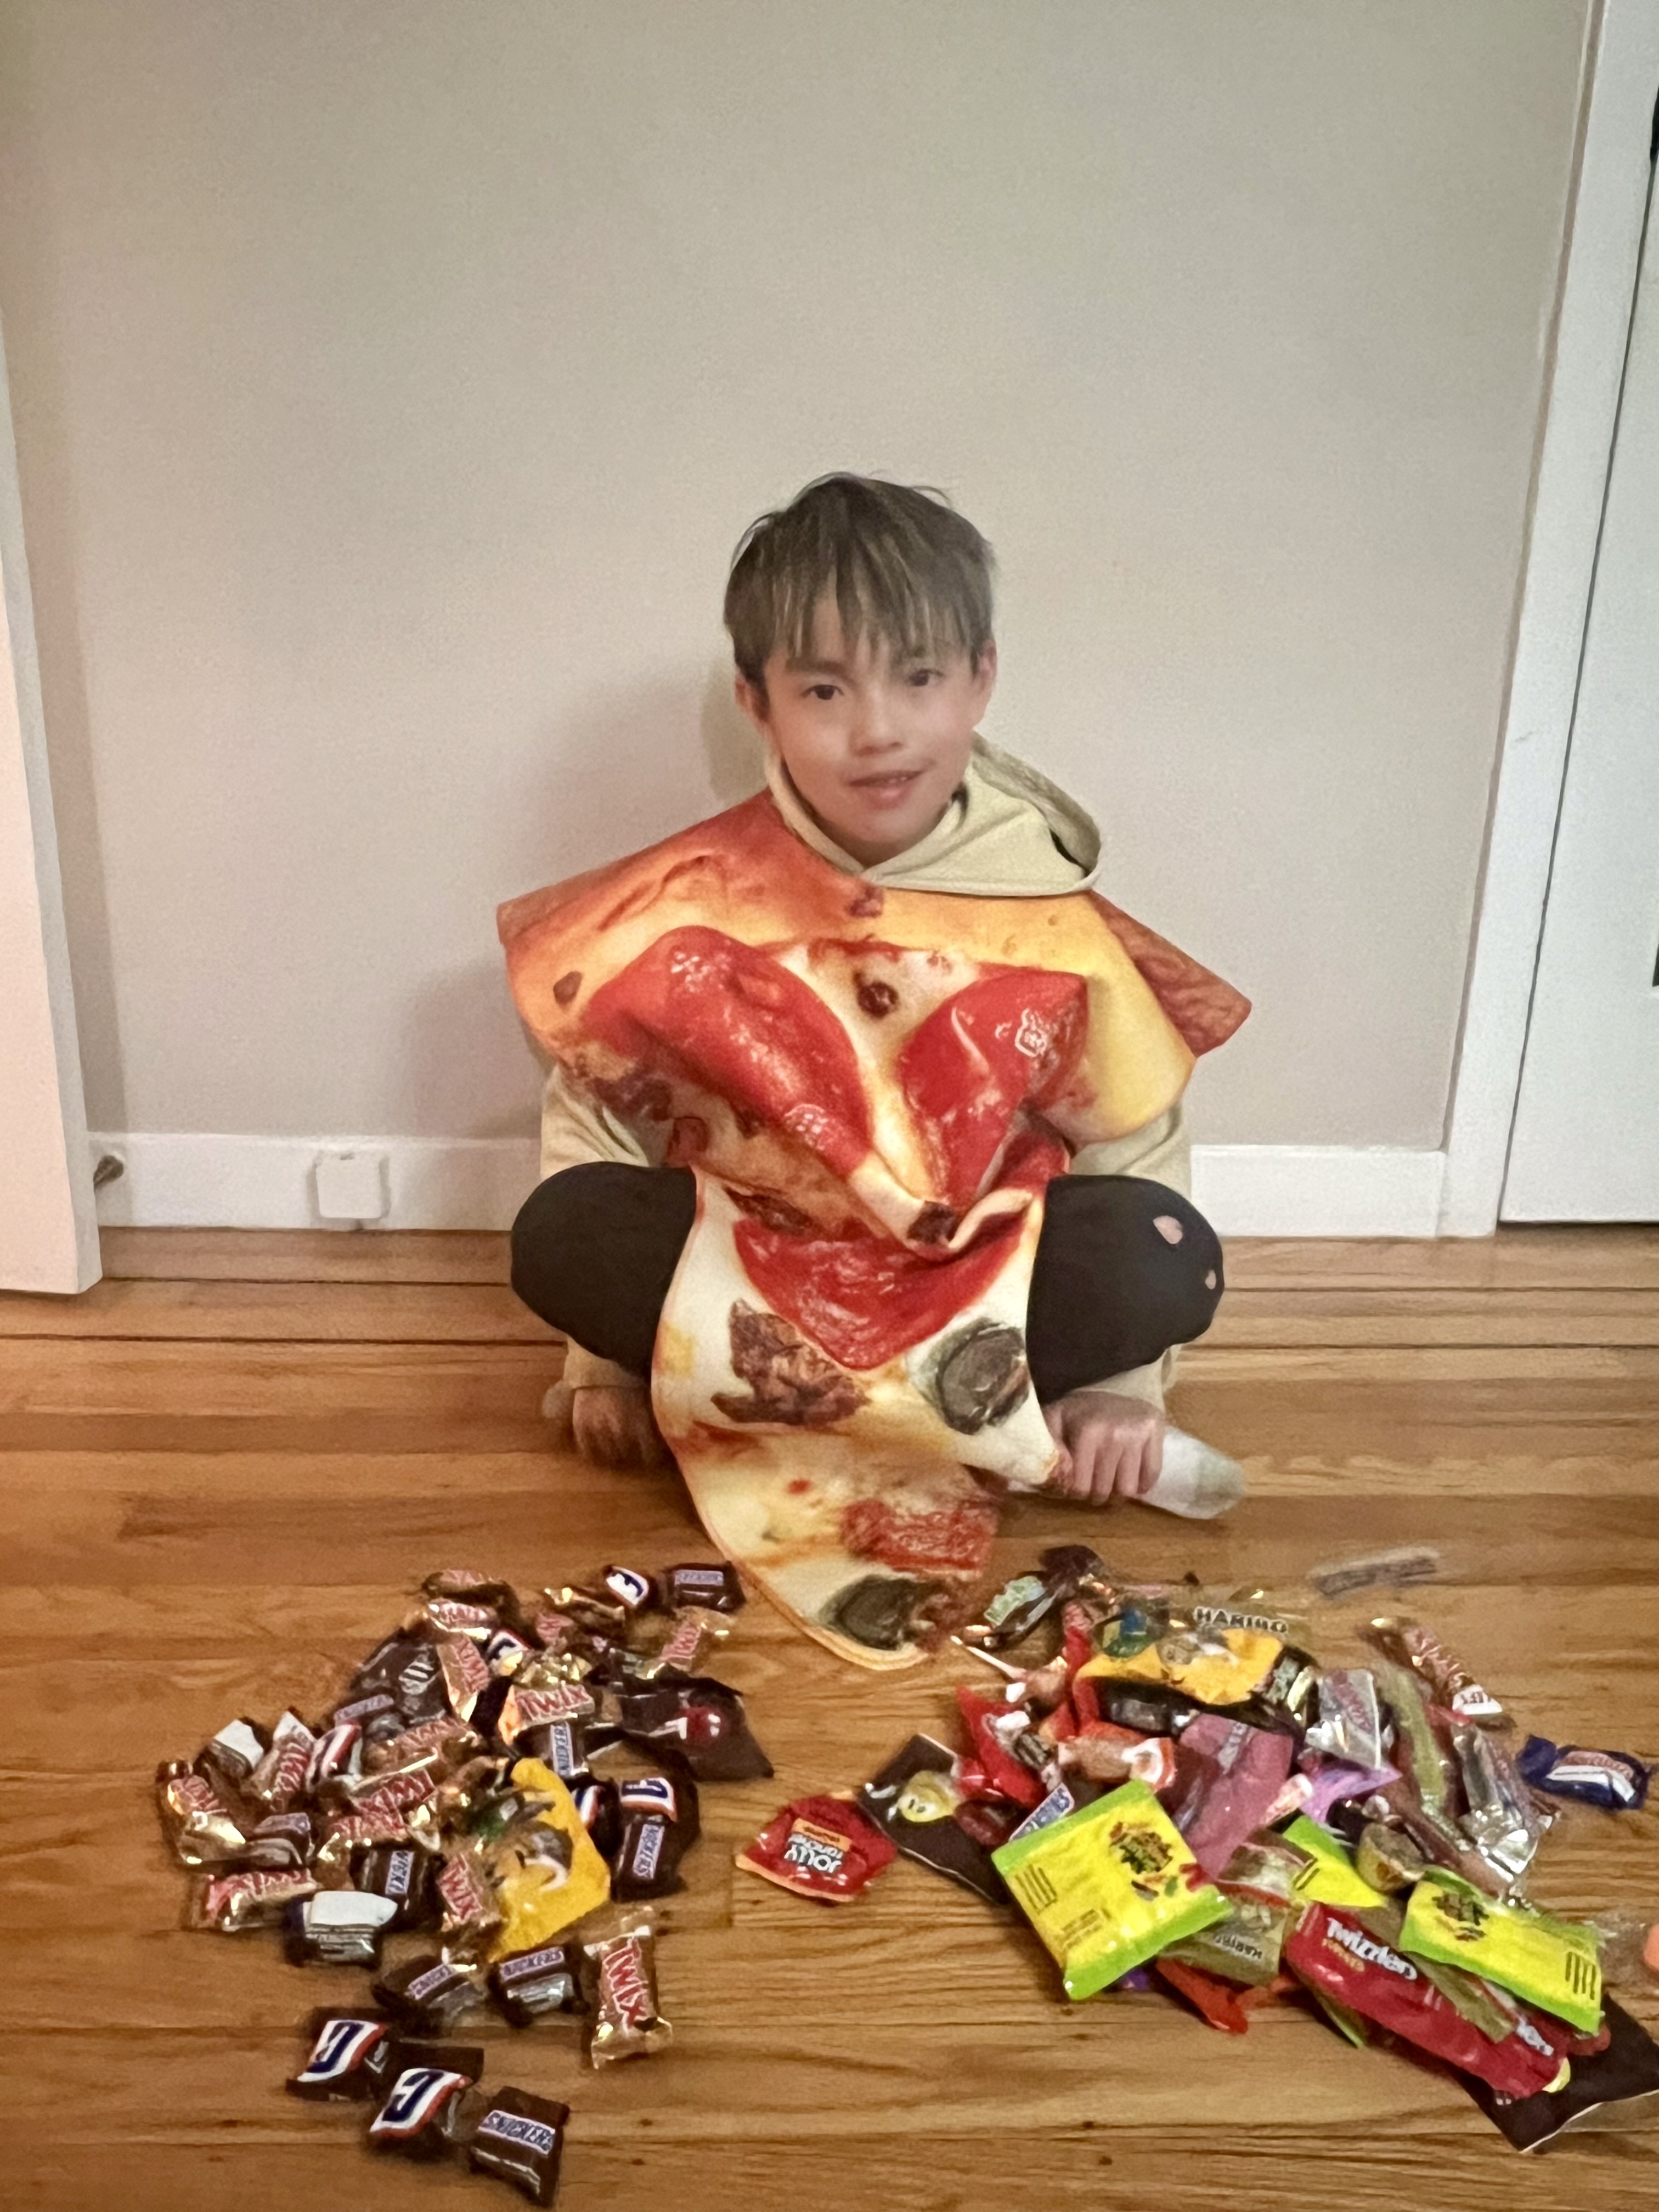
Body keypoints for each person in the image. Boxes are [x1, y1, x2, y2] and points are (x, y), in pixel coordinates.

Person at [509, 473, 1246, 1517]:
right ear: (754, 699)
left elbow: (1139, 1139)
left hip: (976, 1275)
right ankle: (921, 1410)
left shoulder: (1047, 910)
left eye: (919, 677)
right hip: (758, 1267)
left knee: (1162, 1257)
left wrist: (1122, 1389)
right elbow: (595, 1112)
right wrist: (601, 1365)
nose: (879, 731)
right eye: (825, 691)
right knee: (563, 1233)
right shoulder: (700, 899)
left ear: (981, 679)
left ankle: (782, 1400)